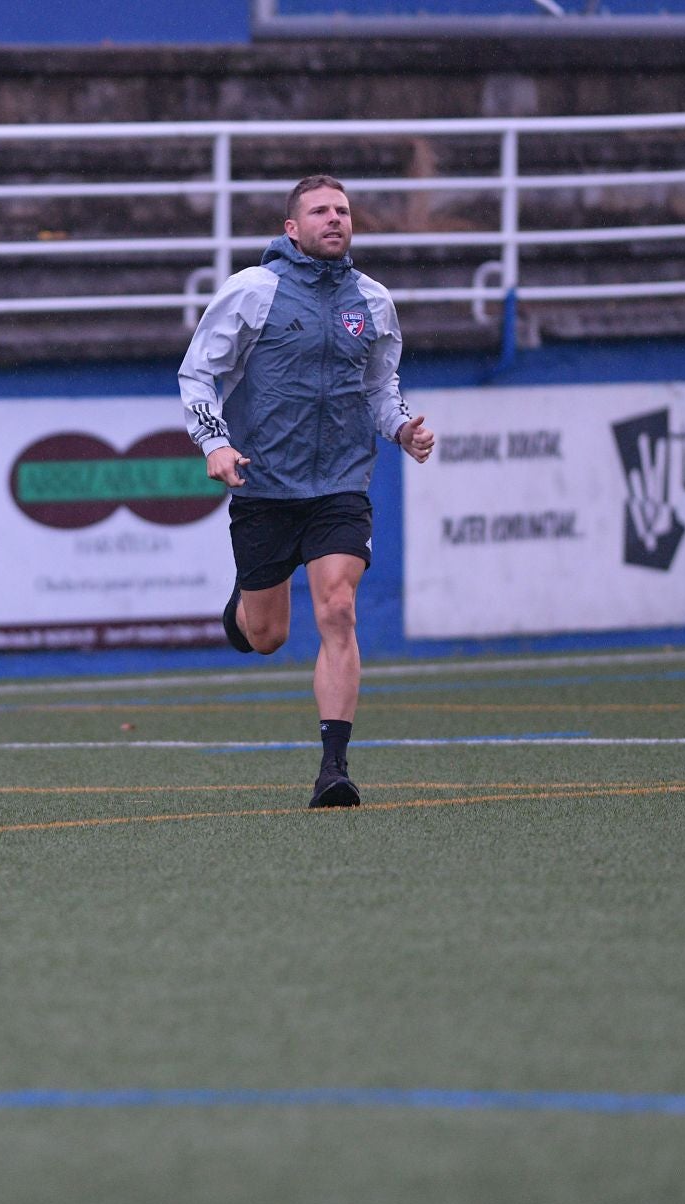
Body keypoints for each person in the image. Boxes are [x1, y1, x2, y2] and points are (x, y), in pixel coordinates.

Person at [178, 174, 435, 808]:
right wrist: (215, 445)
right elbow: (198, 373)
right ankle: (243, 607)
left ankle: (334, 768)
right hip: (264, 486)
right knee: (266, 636)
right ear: (292, 228)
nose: (334, 219)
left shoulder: (372, 301)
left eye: (343, 210)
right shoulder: (252, 291)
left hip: (341, 484)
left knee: (338, 609)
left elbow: (380, 386)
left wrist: (401, 426)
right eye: (319, 211)